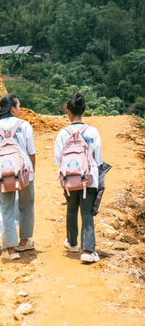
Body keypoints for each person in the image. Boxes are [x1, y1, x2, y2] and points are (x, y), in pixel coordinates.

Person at [0, 93, 36, 260]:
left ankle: (10, 250)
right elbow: (31, 152)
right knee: (26, 205)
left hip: (3, 175)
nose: (20, 110)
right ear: (12, 109)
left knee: (7, 209)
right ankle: (24, 242)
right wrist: (32, 171)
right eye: (19, 107)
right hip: (23, 173)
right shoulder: (24, 125)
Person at [54, 93, 103, 263]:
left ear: (68, 112)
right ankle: (87, 251)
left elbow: (57, 160)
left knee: (71, 208)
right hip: (88, 179)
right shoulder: (93, 132)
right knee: (87, 211)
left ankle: (73, 243)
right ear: (84, 111)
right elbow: (98, 160)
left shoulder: (62, 134)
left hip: (69, 180)